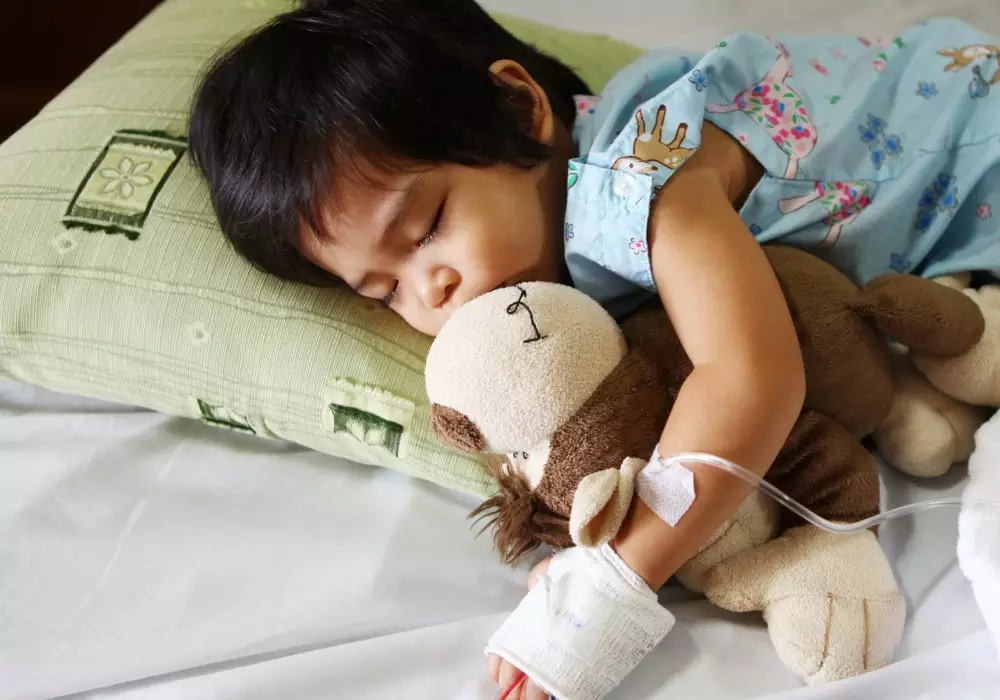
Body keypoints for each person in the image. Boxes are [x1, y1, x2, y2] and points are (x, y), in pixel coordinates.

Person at [189, 2, 1000, 697]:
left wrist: (609, 580)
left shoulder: (640, 177)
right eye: (384, 291)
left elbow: (750, 375)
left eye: (427, 228)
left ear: (519, 110)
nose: (431, 293)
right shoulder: (562, 269)